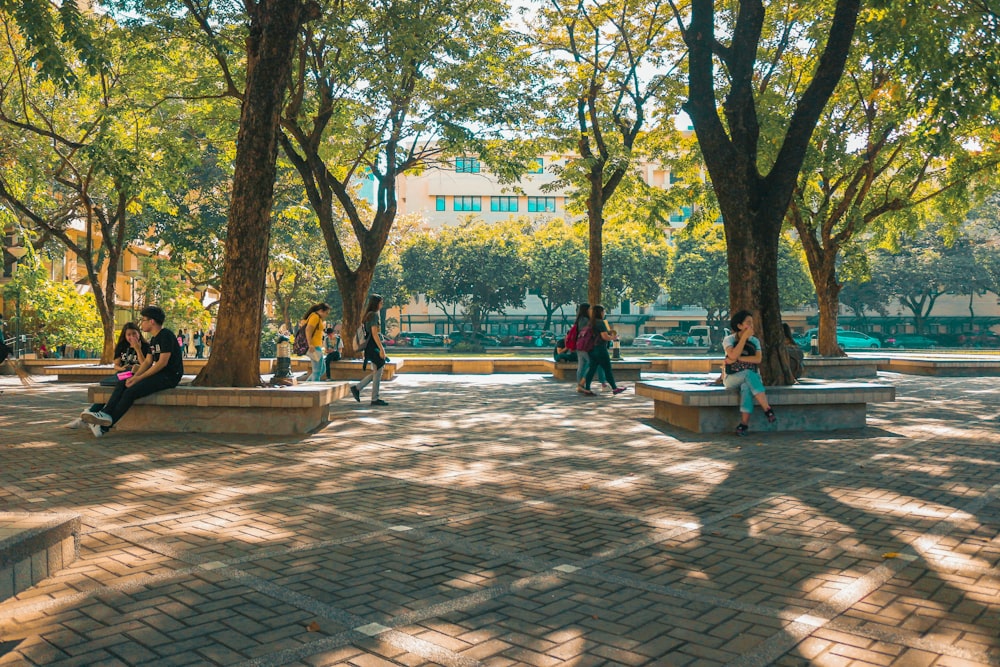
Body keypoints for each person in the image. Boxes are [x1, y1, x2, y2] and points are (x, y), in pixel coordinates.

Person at [80, 305, 184, 437]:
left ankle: (104, 426)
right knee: (124, 382)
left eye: (144, 320)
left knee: (131, 392)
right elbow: (147, 362)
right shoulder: (154, 339)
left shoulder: (166, 335)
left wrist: (139, 378)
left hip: (170, 376)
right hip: (159, 374)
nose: (142, 323)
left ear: (152, 321)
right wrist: (135, 377)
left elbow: (162, 363)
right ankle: (105, 413)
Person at [67, 322, 151, 429]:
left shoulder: (146, 346)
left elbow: (145, 365)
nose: (131, 337)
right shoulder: (122, 346)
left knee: (115, 390)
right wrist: (122, 369)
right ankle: (88, 417)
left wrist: (137, 349)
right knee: (105, 386)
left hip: (136, 375)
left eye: (134, 334)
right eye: (128, 335)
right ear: (125, 336)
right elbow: (116, 365)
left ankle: (88, 416)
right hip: (123, 373)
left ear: (139, 334)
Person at [723, 310, 776, 436]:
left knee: (746, 387)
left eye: (752, 323)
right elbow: (733, 353)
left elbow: (757, 359)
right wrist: (743, 339)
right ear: (739, 326)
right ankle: (767, 409)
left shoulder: (755, 341)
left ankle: (744, 424)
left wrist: (737, 359)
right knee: (747, 373)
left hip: (751, 377)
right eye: (748, 323)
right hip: (732, 378)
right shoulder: (728, 340)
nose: (751, 325)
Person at [350, 294, 389, 406]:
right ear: (376, 303)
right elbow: (374, 333)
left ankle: (358, 388)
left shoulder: (367, 315)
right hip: (373, 346)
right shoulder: (374, 315)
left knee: (377, 371)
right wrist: (382, 349)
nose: (382, 304)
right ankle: (373, 398)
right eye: (381, 302)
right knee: (379, 369)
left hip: (370, 346)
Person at [580, 304, 627, 396]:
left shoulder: (590, 323)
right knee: (607, 369)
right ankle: (614, 388)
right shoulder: (600, 323)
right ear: (600, 312)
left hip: (591, 349)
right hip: (600, 349)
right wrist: (613, 337)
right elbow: (604, 336)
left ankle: (587, 388)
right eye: (603, 311)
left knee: (592, 369)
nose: (604, 313)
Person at [299, 303, 331, 382]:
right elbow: (308, 330)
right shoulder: (315, 317)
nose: (326, 315)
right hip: (314, 346)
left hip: (316, 346)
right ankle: (313, 389)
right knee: (317, 371)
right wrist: (310, 344)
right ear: (321, 311)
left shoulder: (316, 317)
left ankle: (306, 385)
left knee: (322, 370)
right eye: (326, 313)